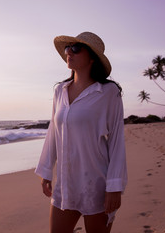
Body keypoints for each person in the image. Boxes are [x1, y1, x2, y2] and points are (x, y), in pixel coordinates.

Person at [35, 32, 128, 233]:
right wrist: (46, 171)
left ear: (92, 57)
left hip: (97, 184)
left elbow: (116, 141)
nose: (69, 52)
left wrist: (114, 186)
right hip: (65, 183)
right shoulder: (60, 90)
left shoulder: (108, 93)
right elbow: (53, 131)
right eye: (68, 47)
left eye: (76, 48)